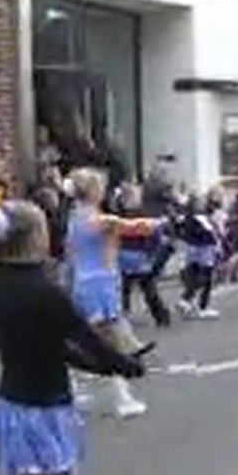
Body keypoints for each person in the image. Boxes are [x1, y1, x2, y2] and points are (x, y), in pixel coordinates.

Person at [0, 200, 145, 475]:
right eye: (43, 227)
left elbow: (56, 348)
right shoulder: (44, 292)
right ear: (33, 238)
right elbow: (85, 340)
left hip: (14, 403)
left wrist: (110, 366)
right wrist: (124, 364)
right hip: (42, 409)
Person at [66, 168, 157, 419]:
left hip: (88, 283)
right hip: (98, 285)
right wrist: (157, 223)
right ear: (93, 191)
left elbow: (72, 256)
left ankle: (71, 389)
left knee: (86, 338)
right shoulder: (95, 219)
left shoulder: (76, 218)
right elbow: (133, 226)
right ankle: (122, 398)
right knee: (107, 343)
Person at [117, 183, 171, 328]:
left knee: (125, 288)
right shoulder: (142, 215)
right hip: (138, 256)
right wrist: (150, 253)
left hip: (126, 256)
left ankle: (123, 315)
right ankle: (161, 316)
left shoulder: (120, 215)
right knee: (146, 287)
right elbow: (153, 237)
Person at [177, 195, 223, 321]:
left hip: (192, 249)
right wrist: (216, 244)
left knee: (194, 276)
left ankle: (186, 300)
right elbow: (211, 234)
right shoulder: (200, 219)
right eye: (200, 202)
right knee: (206, 278)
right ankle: (202, 306)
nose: (203, 204)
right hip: (204, 249)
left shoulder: (186, 218)